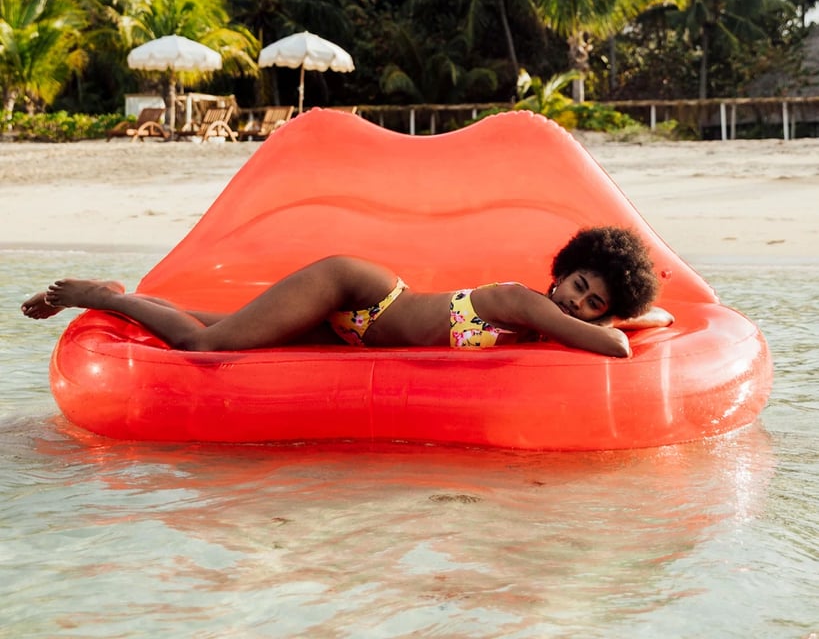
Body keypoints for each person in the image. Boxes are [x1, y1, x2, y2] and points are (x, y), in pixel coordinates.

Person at [22, 226, 672, 358]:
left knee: (208, 320)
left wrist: (635, 315)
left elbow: (616, 330)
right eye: (578, 287)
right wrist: (630, 323)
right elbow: (613, 349)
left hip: (361, 330)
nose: (575, 306)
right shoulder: (526, 303)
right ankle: (97, 295)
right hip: (362, 294)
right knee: (202, 344)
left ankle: (121, 295)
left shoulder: (545, 321)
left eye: (591, 304)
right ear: (560, 271)